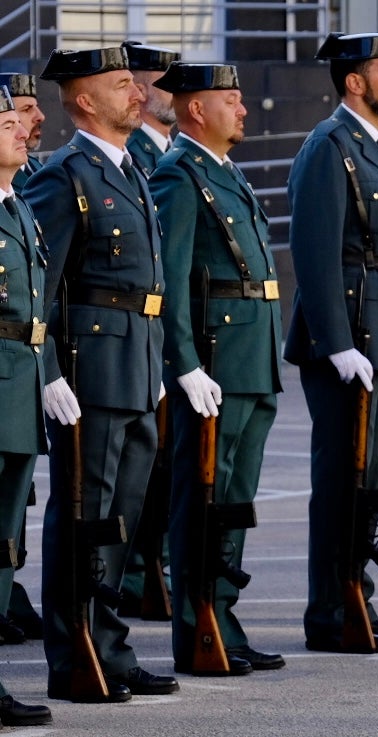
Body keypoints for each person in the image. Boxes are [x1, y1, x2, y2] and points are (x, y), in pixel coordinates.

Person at [24, 46, 178, 703]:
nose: (138, 93)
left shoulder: (130, 170)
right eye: (122, 85)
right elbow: (39, 286)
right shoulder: (65, 176)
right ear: (84, 100)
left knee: (121, 518)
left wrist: (160, 361)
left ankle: (109, 647)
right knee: (83, 515)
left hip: (137, 363)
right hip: (91, 370)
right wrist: (49, 371)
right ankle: (73, 654)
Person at [284, 32, 378, 652]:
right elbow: (314, 251)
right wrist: (336, 341)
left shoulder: (375, 147)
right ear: (355, 82)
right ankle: (330, 610)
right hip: (351, 335)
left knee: (369, 479)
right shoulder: (329, 145)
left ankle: (357, 597)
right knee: (343, 478)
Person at [147, 62, 285, 676]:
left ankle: (223, 617)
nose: (244, 109)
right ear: (197, 109)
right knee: (203, 495)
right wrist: (183, 363)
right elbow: (170, 279)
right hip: (216, 359)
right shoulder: (179, 174)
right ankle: (197, 624)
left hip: (251, 357)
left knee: (234, 498)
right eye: (232, 99)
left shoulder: (226, 172)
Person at [118, 40, 180, 620]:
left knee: (163, 468)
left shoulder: (169, 153)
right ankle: (137, 575)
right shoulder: (132, 154)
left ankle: (149, 570)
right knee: (142, 468)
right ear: (137, 90)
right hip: (137, 338)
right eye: (165, 81)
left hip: (165, 336)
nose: (175, 91)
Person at [0, 83, 53, 727]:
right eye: (5, 123)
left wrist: (52, 375)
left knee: (5, 541)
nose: (20, 129)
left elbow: (38, 309)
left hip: (19, 387)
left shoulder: (17, 208)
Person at [123, 42, 180, 176]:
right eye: (169, 85)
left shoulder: (177, 148)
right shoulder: (128, 151)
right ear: (140, 92)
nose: (178, 93)